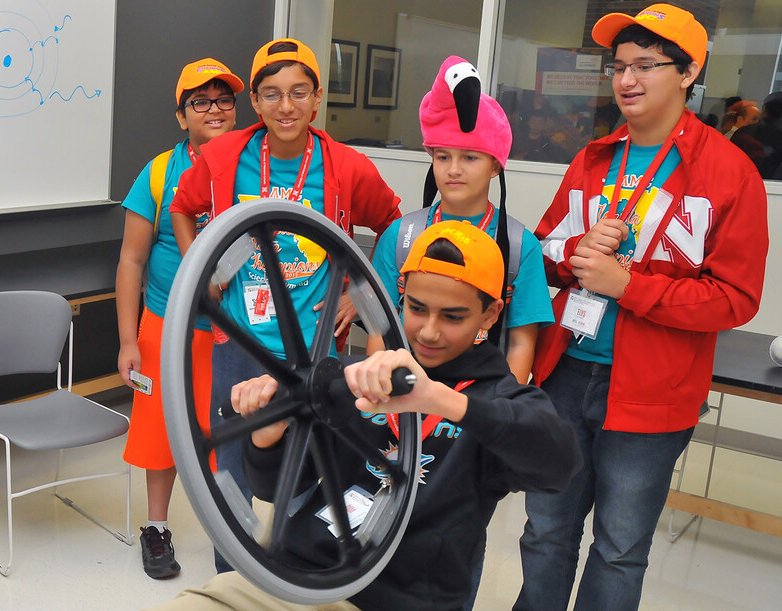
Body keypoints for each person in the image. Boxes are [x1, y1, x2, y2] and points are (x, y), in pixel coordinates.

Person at [151, 221, 581, 610]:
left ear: (490, 314)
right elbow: (274, 487)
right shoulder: (361, 379)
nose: (429, 331)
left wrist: (437, 400)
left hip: (398, 601)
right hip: (292, 579)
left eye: (453, 317)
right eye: (416, 308)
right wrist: (269, 431)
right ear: (400, 296)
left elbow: (559, 464)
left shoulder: (501, 399)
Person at [516, 5, 768, 610]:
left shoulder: (730, 174)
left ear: (687, 73)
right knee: (545, 532)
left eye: (646, 66)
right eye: (618, 67)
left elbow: (736, 298)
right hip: (566, 373)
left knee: (619, 548)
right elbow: (545, 251)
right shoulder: (592, 159)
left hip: (653, 394)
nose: (627, 80)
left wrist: (629, 287)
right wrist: (576, 253)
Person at [168, 38, 402, 572]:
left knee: (305, 461)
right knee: (230, 459)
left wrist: (355, 296)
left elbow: (392, 229)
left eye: (299, 92)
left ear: (317, 99)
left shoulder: (346, 167)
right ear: (254, 101)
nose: (286, 106)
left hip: (312, 347)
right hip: (239, 338)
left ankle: (296, 565)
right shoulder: (225, 155)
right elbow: (183, 208)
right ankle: (232, 570)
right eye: (271, 94)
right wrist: (199, 269)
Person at [115, 58, 244, 579]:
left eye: (223, 99)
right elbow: (130, 260)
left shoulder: (254, 167)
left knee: (230, 430)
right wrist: (128, 339)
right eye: (200, 101)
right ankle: (156, 529)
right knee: (159, 432)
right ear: (181, 114)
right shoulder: (162, 171)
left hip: (234, 329)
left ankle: (230, 532)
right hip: (165, 324)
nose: (214, 110)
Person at [372, 56, 554, 384]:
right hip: (406, 398)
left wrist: (498, 413)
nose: (453, 169)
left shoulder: (518, 246)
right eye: (443, 157)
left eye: (469, 157)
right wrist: (379, 399)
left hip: (479, 404)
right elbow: (379, 331)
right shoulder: (401, 237)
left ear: (496, 165)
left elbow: (521, 343)